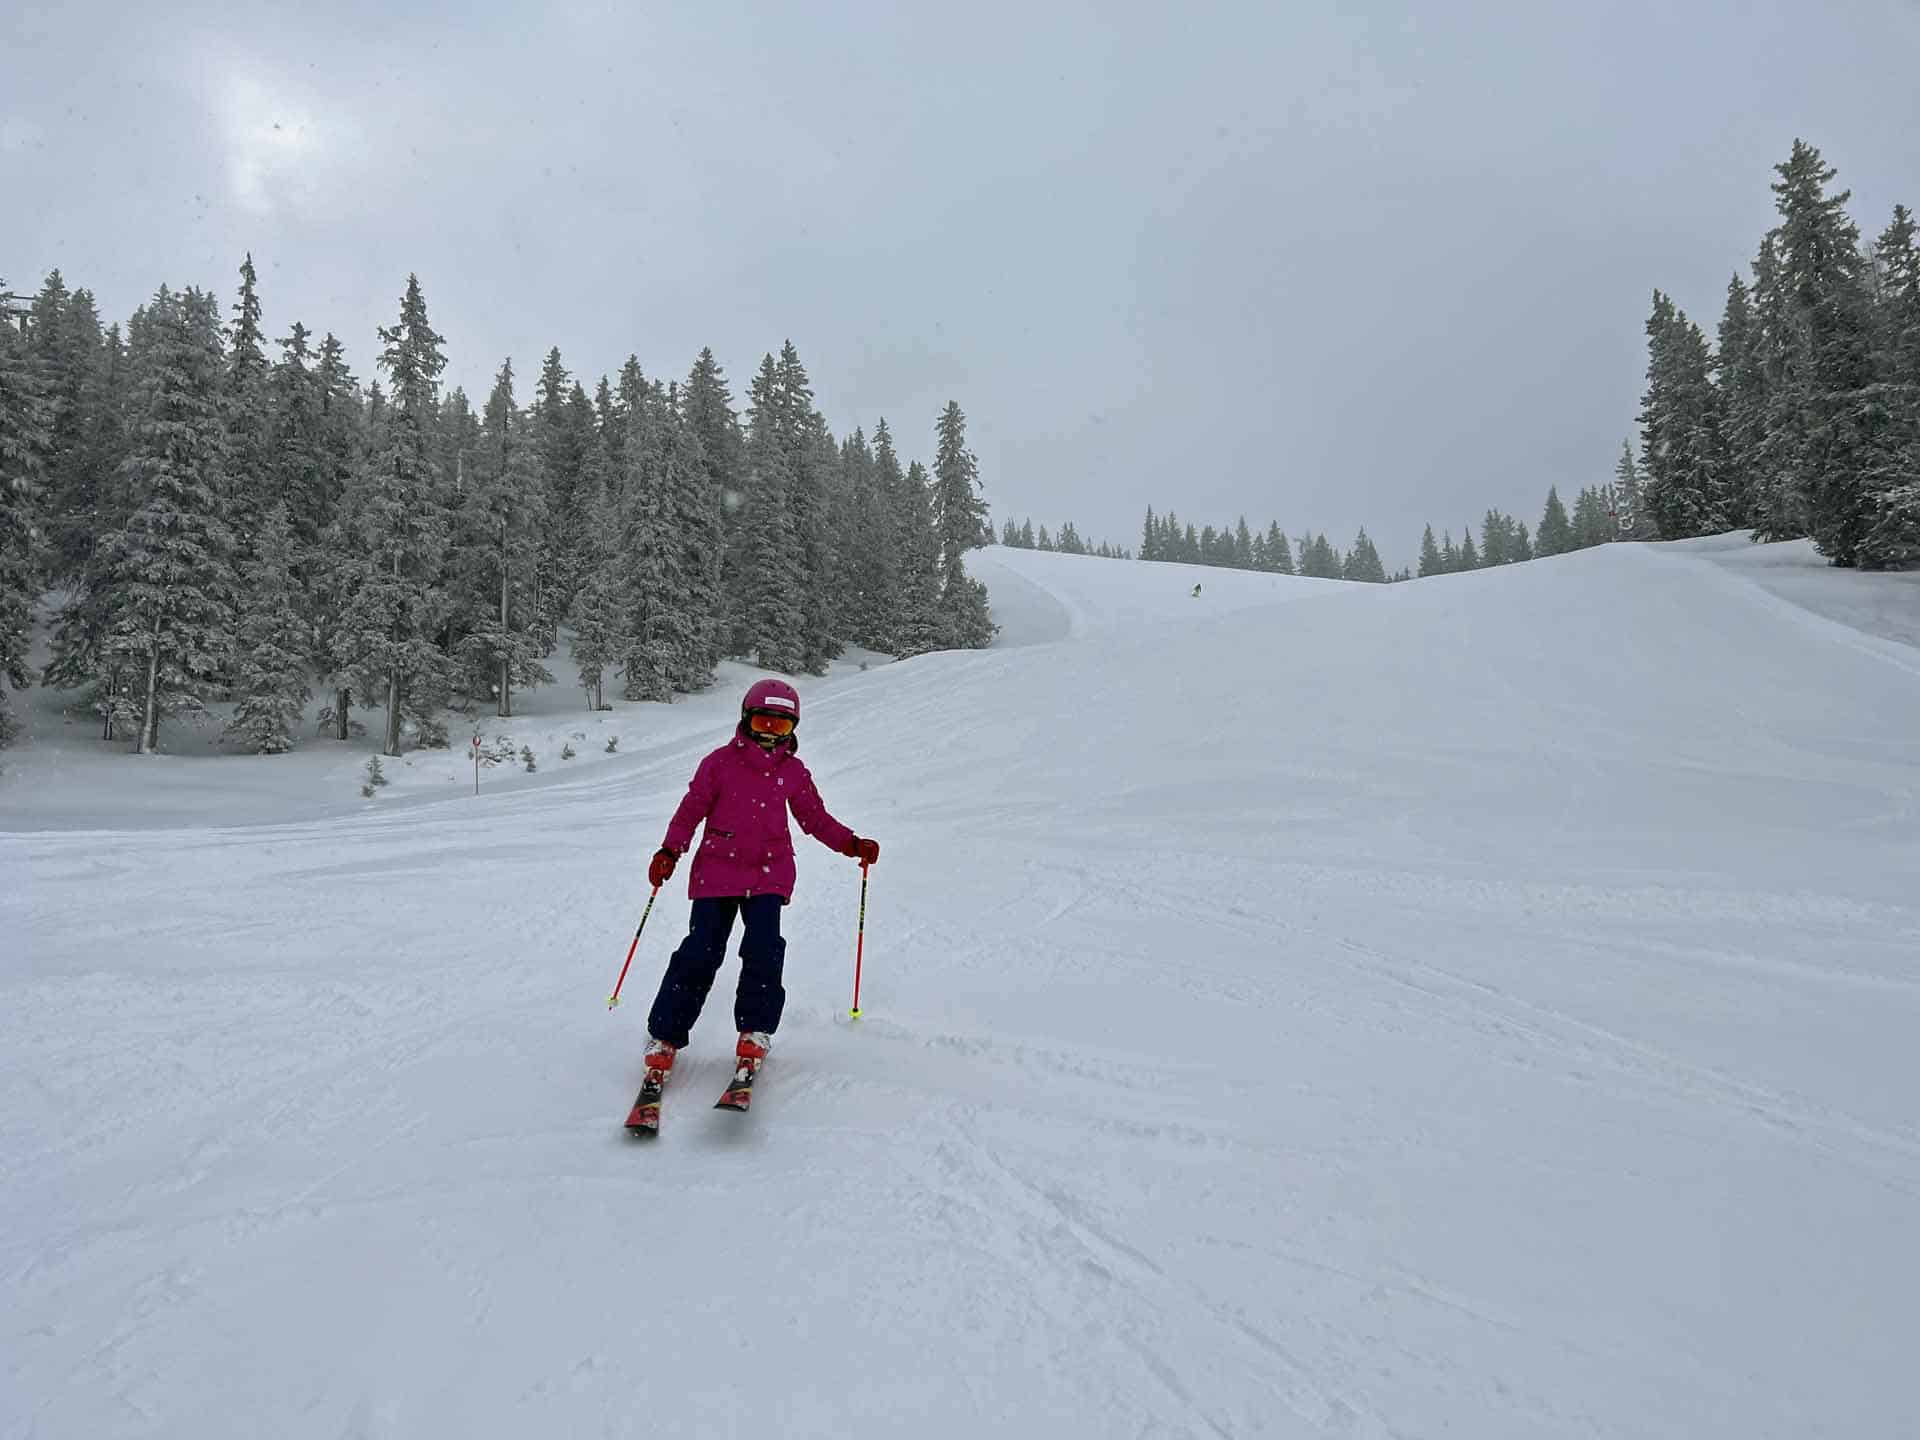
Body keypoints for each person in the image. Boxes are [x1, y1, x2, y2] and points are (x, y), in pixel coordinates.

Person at [640, 678, 879, 1091]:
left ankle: (755, 1031)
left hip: (769, 873)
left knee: (764, 950)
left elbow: (815, 820)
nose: (771, 733)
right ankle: (665, 1034)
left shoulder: (793, 771)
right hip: (717, 870)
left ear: (793, 730)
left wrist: (851, 844)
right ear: (747, 720)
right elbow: (690, 811)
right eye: (765, 721)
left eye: (781, 726)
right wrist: (669, 851)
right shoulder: (719, 764)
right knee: (701, 951)